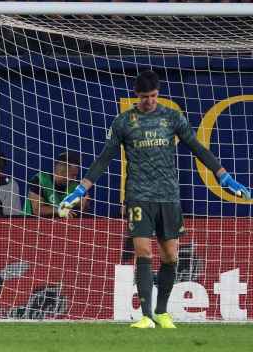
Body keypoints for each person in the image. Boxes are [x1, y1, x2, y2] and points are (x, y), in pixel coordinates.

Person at [59, 70, 251, 329]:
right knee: (143, 252)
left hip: (169, 196)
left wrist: (224, 178)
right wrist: (80, 189)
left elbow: (198, 148)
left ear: (157, 93)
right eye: (144, 96)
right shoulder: (124, 122)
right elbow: (105, 158)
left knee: (170, 256)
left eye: (153, 96)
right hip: (138, 195)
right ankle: (146, 316)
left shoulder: (171, 117)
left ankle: (162, 312)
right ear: (136, 95)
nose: (149, 100)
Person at [24, 151, 88, 218]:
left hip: (60, 226)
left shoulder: (76, 186)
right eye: (72, 175)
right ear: (60, 171)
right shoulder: (40, 180)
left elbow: (83, 208)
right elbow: (37, 210)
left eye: (76, 175)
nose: (75, 179)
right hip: (29, 223)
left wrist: (84, 204)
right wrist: (59, 209)